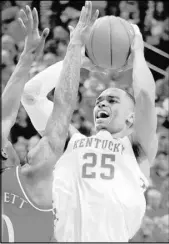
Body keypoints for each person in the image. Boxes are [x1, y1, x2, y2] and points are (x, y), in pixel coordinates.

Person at [22, 2, 158, 242]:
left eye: (112, 100)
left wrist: (138, 51)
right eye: (99, 101)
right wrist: (79, 61)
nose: (101, 104)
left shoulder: (137, 148)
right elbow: (31, 95)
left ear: (132, 117)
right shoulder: (71, 142)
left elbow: (145, 96)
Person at [1, 3, 86, 241]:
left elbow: (5, 115)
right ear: (3, 153)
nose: (9, 137)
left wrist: (27, 57)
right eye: (6, 140)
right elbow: (62, 110)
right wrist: (75, 49)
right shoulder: (32, 176)